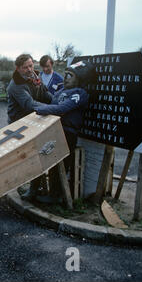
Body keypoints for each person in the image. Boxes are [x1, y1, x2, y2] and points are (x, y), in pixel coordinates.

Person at [34, 61, 94, 199]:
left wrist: (39, 109)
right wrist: (40, 88)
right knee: (52, 164)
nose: (66, 78)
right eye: (65, 74)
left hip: (68, 133)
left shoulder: (80, 93)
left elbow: (61, 109)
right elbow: (52, 100)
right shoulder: (62, 90)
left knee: (62, 165)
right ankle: (51, 193)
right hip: (55, 130)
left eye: (70, 75)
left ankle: (56, 196)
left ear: (79, 79)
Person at [7, 53, 53, 201]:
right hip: (20, 125)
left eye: (31, 65)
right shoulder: (15, 86)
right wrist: (55, 108)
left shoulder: (35, 78)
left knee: (40, 153)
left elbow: (46, 94)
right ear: (18, 69)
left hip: (35, 121)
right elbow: (30, 104)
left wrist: (58, 101)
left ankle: (35, 187)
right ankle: (29, 188)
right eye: (25, 67)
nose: (29, 69)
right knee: (28, 157)